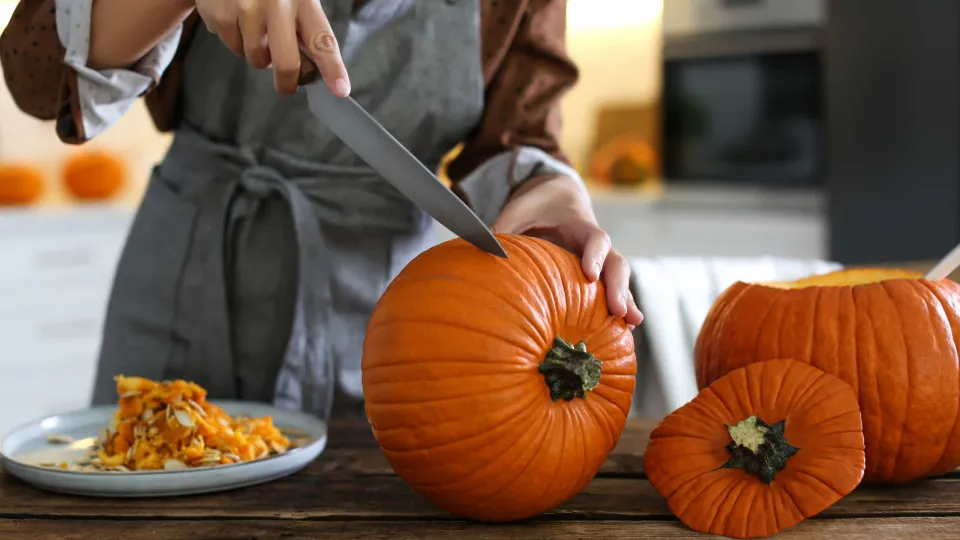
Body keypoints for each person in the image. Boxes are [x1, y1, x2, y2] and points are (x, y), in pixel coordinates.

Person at [0, 0, 644, 420]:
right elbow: (34, 77)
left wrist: (551, 199)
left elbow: (519, 135)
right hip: (183, 280)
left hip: (393, 333)